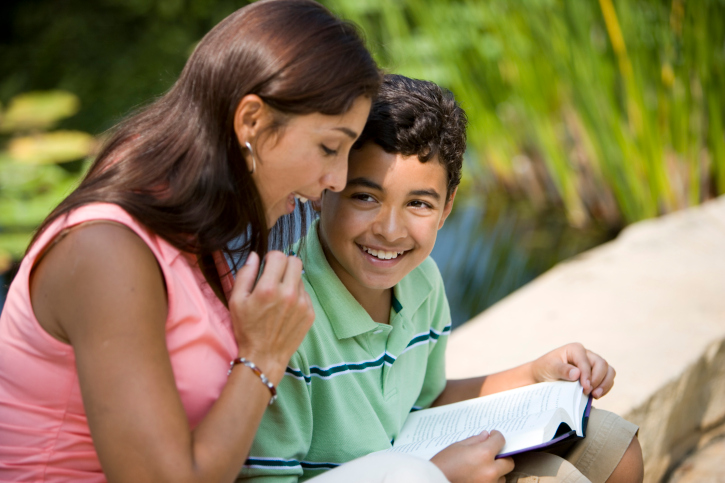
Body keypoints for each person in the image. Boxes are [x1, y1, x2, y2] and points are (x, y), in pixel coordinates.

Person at [0, 1, 389, 481]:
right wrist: (263, 356)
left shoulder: (216, 221)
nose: (338, 178)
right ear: (251, 121)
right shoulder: (108, 253)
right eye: (330, 147)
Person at [238, 74, 644, 483]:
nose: (390, 230)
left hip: (411, 462)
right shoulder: (286, 311)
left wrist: (533, 374)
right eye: (365, 197)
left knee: (614, 445)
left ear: (447, 208)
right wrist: (437, 475)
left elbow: (424, 398)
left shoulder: (422, 281)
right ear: (324, 187)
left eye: (418, 203)